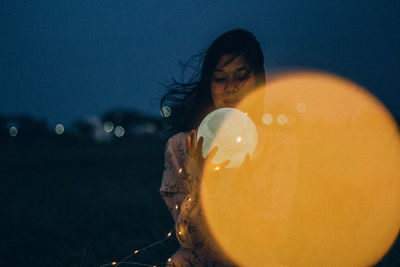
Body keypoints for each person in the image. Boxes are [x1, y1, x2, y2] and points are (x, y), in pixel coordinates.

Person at [160, 29, 266, 266]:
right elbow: (189, 237)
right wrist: (205, 178)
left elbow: (270, 233)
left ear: (257, 80)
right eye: (220, 78)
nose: (231, 88)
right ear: (209, 83)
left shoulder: (277, 146)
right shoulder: (181, 148)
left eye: (241, 76)